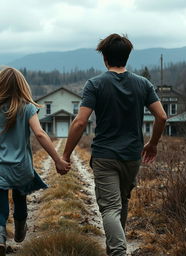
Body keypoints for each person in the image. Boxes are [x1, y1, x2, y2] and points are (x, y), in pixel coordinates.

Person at [61, 34, 167, 256]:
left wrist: (66, 154)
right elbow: (162, 117)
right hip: (132, 156)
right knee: (122, 202)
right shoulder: (143, 84)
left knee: (110, 208)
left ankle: (118, 251)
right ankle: (114, 248)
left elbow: (80, 122)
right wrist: (153, 144)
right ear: (126, 57)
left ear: (105, 58)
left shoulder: (95, 84)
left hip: (105, 156)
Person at [0, 67, 70, 256]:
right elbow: (40, 133)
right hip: (21, 168)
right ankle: (19, 232)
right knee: (20, 200)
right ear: (21, 86)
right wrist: (57, 160)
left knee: (0, 211)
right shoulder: (27, 107)